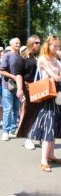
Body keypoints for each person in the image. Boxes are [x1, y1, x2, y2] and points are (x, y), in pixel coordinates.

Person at [28, 35, 61, 172]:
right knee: (49, 126)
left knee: (55, 125)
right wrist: (52, 71)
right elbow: (55, 77)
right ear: (48, 45)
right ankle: (43, 160)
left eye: (58, 46)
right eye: (55, 46)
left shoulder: (56, 60)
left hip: (57, 95)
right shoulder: (42, 59)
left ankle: (51, 155)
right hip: (48, 95)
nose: (57, 48)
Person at [15, 35, 41, 150]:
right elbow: (18, 74)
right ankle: (28, 138)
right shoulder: (23, 57)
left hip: (40, 87)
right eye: (36, 42)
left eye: (39, 43)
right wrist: (20, 89)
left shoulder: (39, 56)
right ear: (31, 43)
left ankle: (39, 135)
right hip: (28, 87)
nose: (38, 44)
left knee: (40, 112)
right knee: (29, 112)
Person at [0, 38, 23, 141]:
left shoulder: (21, 57)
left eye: (19, 43)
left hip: (18, 87)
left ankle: (13, 130)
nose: (18, 44)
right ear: (11, 44)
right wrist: (13, 77)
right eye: (16, 43)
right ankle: (5, 131)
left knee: (15, 109)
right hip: (7, 86)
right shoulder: (7, 55)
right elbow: (1, 71)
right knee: (8, 109)